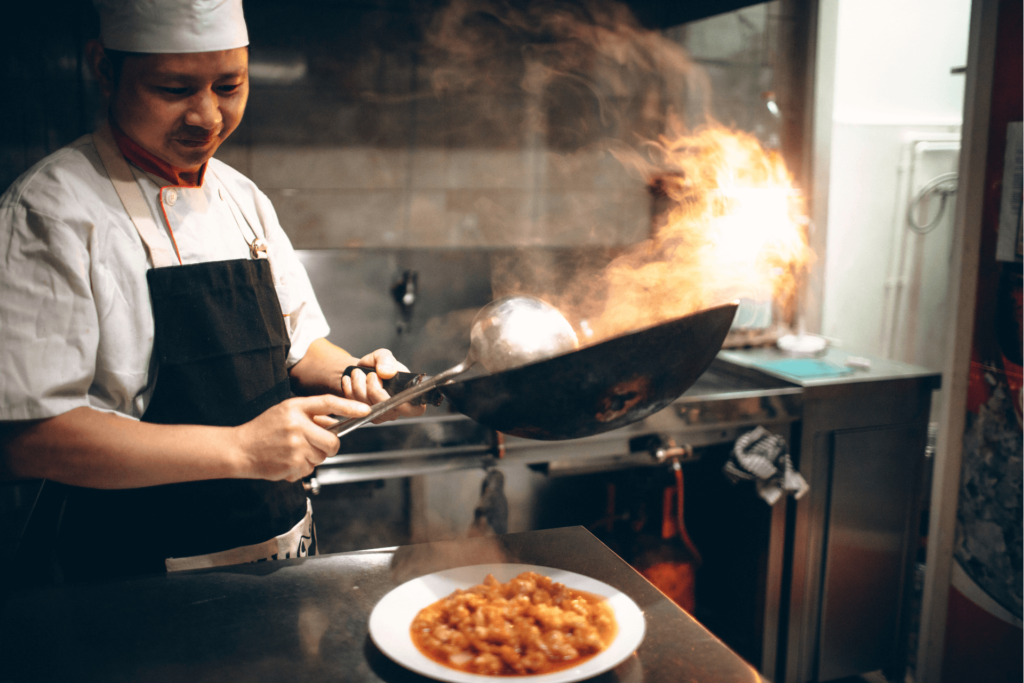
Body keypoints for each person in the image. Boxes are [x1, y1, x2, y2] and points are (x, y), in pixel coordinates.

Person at [0, 0, 422, 581]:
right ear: (103, 68)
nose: (207, 116)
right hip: (129, 575)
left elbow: (299, 348)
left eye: (230, 85)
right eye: (173, 88)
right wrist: (244, 451)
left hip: (276, 551)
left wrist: (356, 372)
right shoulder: (50, 210)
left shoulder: (242, 198)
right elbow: (31, 439)